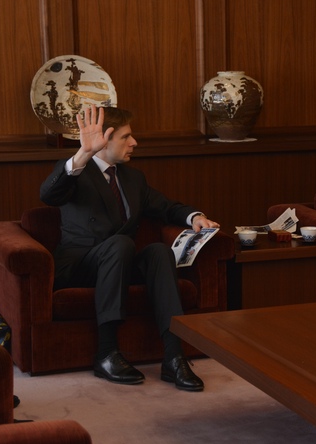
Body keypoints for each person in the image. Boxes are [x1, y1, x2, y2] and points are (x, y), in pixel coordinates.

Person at [40, 105, 220, 390]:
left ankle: (174, 357)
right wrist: (83, 154)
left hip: (120, 263)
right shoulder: (76, 172)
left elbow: (165, 206)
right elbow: (49, 194)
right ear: (105, 139)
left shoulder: (132, 178)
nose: (134, 143)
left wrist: (194, 216)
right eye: (126, 137)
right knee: (122, 243)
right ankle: (107, 352)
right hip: (80, 266)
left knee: (159, 251)